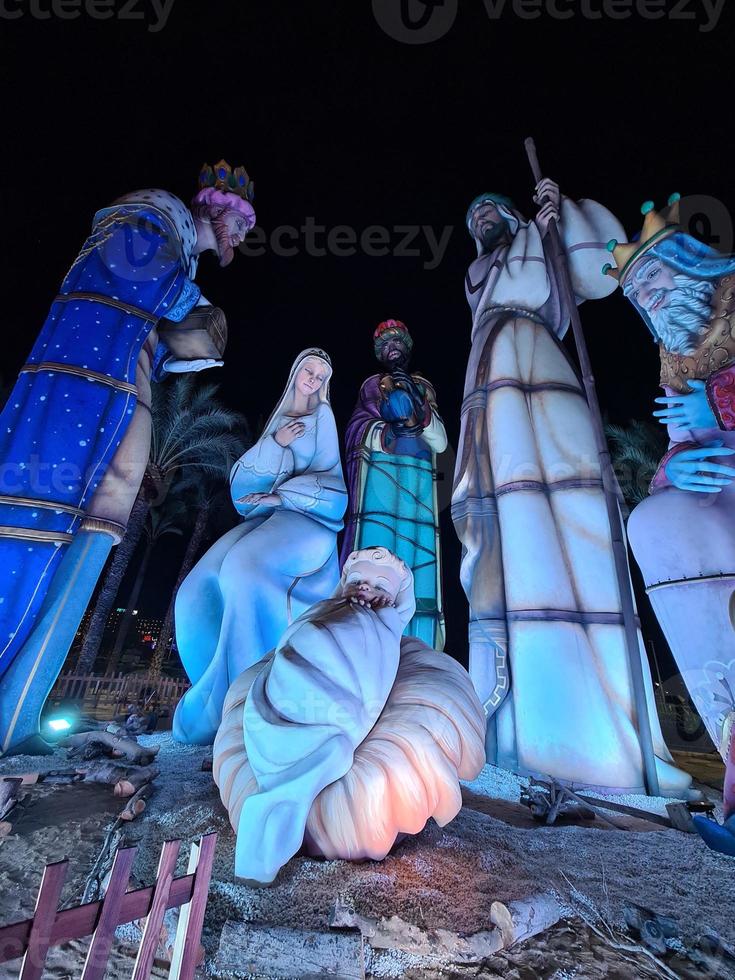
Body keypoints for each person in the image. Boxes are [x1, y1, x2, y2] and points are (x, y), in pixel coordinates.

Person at [0, 159, 255, 756]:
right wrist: (187, 304)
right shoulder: (157, 212)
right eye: (241, 221)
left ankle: (19, 713)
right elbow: (121, 266)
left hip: (120, 401)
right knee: (36, 526)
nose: (243, 236)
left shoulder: (182, 252)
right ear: (215, 207)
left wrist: (189, 331)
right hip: (82, 398)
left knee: (91, 542)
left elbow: (165, 338)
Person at [451, 182, 690, 795]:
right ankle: (523, 731)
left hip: (542, 358)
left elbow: (599, 273)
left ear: (507, 214)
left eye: (490, 210)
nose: (483, 220)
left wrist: (558, 217)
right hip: (495, 373)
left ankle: (609, 734)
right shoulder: (482, 275)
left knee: (576, 493)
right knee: (514, 513)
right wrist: (540, 230)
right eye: (475, 216)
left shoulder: (536, 237)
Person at [212, 546, 486, 884]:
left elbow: (372, 687)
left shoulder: (382, 626)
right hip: (278, 705)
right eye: (358, 580)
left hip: (334, 716)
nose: (366, 588)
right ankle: (274, 794)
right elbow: (287, 648)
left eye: (381, 586)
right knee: (278, 744)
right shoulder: (325, 611)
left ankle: (275, 817)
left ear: (398, 600)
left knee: (322, 757)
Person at [604, 195, 735, 757]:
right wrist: (676, 464)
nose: (648, 296)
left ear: (692, 263)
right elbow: (681, 450)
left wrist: (718, 417)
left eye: (653, 275)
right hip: (713, 496)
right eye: (636, 292)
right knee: (655, 523)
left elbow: (706, 424)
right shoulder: (676, 361)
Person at [173, 349, 347, 745]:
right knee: (196, 587)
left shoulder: (323, 417)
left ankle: (254, 703)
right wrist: (277, 443)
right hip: (266, 518)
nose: (314, 379)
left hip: (308, 521)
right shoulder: (282, 419)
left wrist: (283, 496)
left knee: (245, 568)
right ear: (296, 372)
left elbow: (334, 486)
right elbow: (244, 488)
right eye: (310, 371)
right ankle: (214, 695)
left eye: (322, 375)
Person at [341, 319, 448, 647]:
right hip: (380, 482)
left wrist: (420, 414)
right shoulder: (372, 385)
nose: (392, 348)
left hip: (417, 486)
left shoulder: (424, 387)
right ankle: (364, 642)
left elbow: (440, 442)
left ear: (407, 347)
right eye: (385, 344)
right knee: (375, 556)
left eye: (398, 342)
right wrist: (387, 433)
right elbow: (356, 430)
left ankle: (418, 647)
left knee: (418, 563)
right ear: (379, 353)